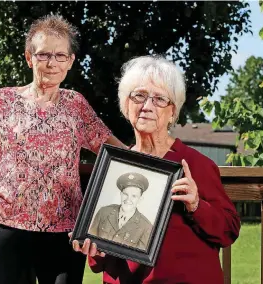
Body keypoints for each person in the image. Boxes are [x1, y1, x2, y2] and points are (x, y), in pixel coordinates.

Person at [0, 14, 125, 284]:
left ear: (70, 62)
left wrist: (165, 162)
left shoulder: (77, 106)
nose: (51, 62)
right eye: (43, 55)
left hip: (64, 231)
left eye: (60, 55)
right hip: (4, 223)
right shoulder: (2, 101)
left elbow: (121, 155)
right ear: (29, 58)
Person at [72, 55, 240, 284]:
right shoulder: (113, 168)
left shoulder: (194, 164)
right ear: (126, 105)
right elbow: (101, 258)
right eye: (139, 96)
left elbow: (228, 230)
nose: (147, 106)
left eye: (160, 99)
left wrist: (196, 205)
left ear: (172, 112)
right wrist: (95, 250)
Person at [88, 172, 152, 250]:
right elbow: (90, 241)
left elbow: (139, 257)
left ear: (140, 199)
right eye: (125, 194)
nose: (128, 199)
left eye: (134, 196)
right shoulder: (104, 212)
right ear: (121, 194)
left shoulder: (146, 227)